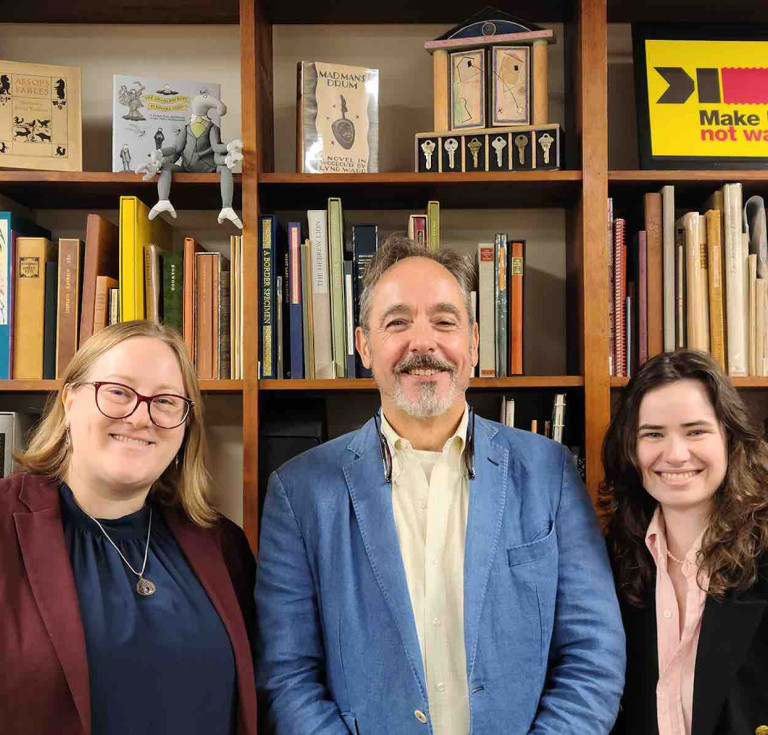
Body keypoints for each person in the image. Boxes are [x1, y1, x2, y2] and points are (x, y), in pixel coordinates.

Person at [255, 237, 625, 734]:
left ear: (473, 341)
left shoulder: (550, 473)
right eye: (397, 322)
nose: (423, 343)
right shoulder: (299, 493)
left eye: (444, 322)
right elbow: (288, 677)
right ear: (364, 345)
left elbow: (593, 655)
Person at [1, 321, 257, 735]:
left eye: (167, 401)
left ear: (185, 424)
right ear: (69, 401)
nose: (141, 417)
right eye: (118, 392)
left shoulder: (222, 544)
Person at [601, 350, 768, 735]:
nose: (675, 455)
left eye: (695, 431)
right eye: (653, 434)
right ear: (630, 448)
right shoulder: (613, 559)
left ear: (729, 437)